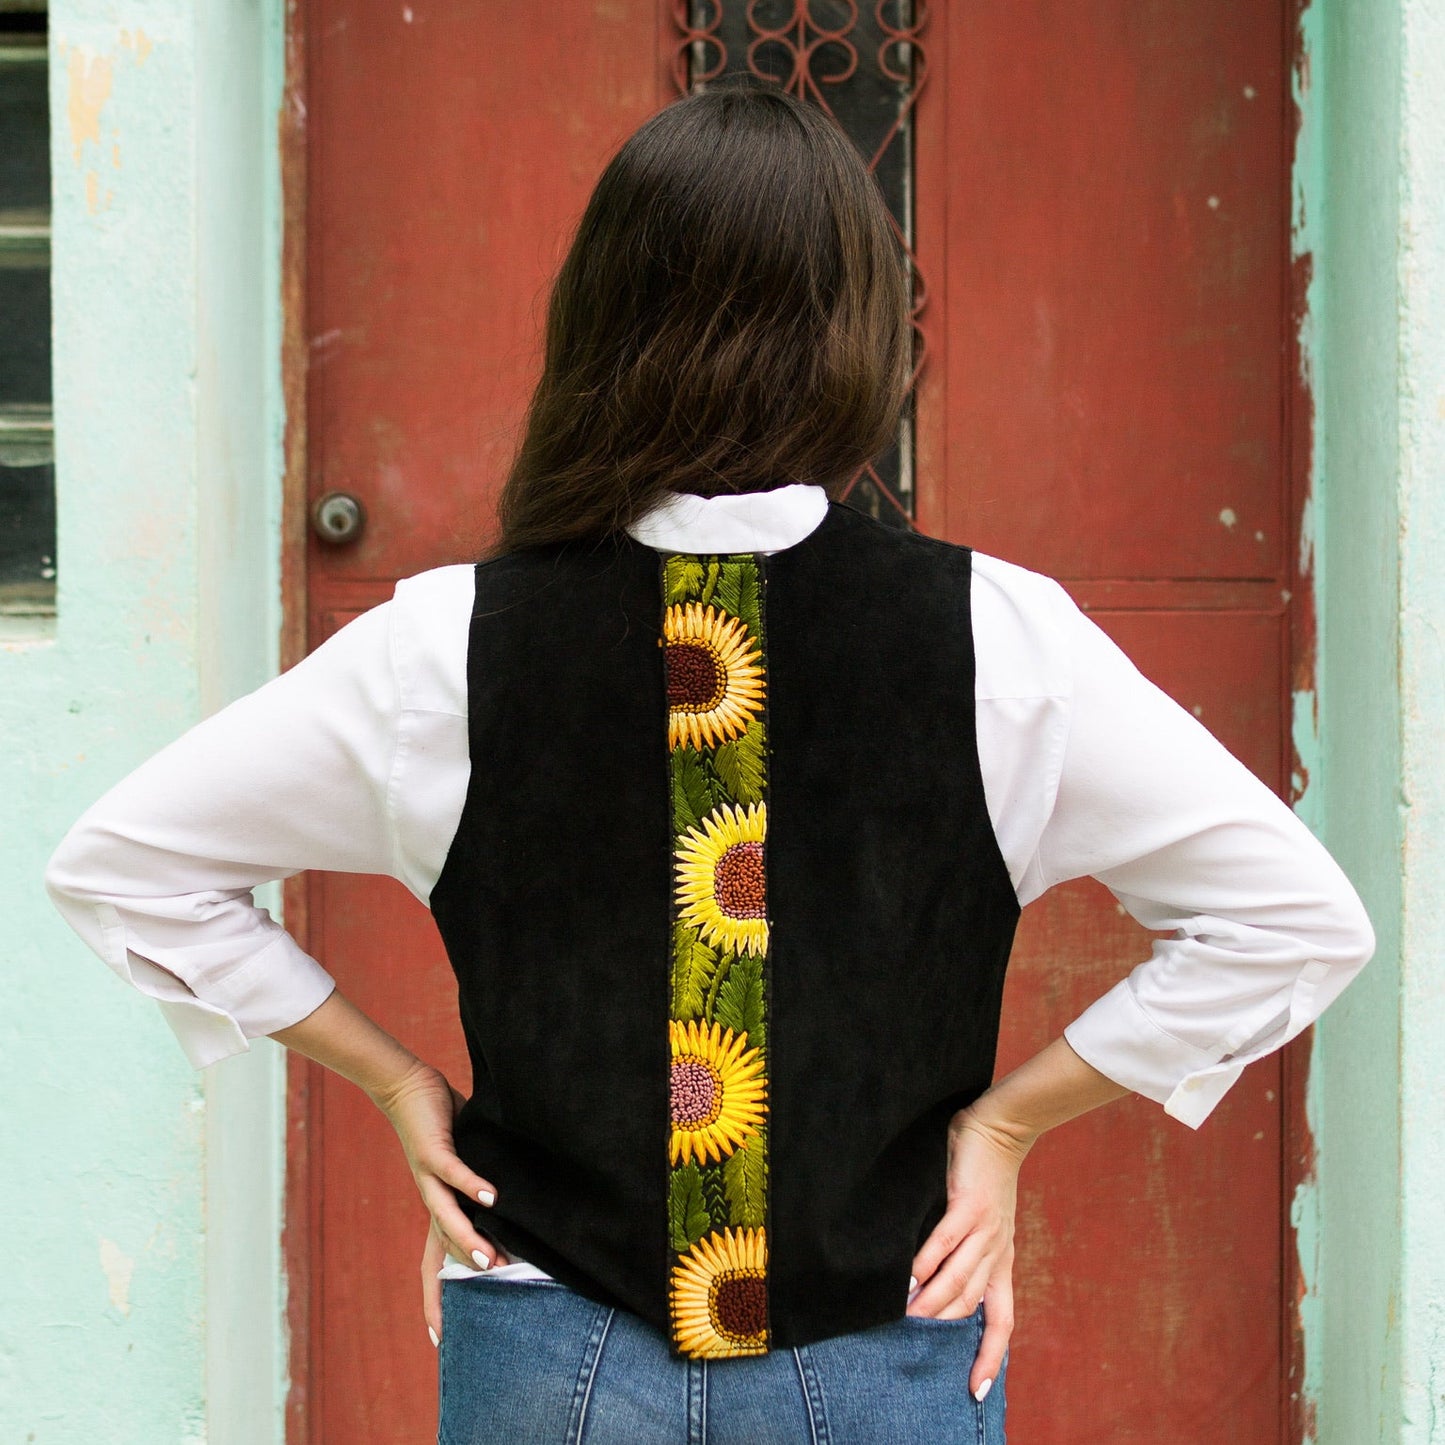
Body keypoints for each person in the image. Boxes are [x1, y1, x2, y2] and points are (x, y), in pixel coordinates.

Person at [44, 78, 1375, 1444]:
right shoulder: (1002, 639)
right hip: (884, 1352)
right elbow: (1295, 921)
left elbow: (124, 866)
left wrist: (395, 1080)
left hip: (545, 1341)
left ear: (597, 324)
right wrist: (1006, 1125)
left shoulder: (444, 645)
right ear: (861, 331)